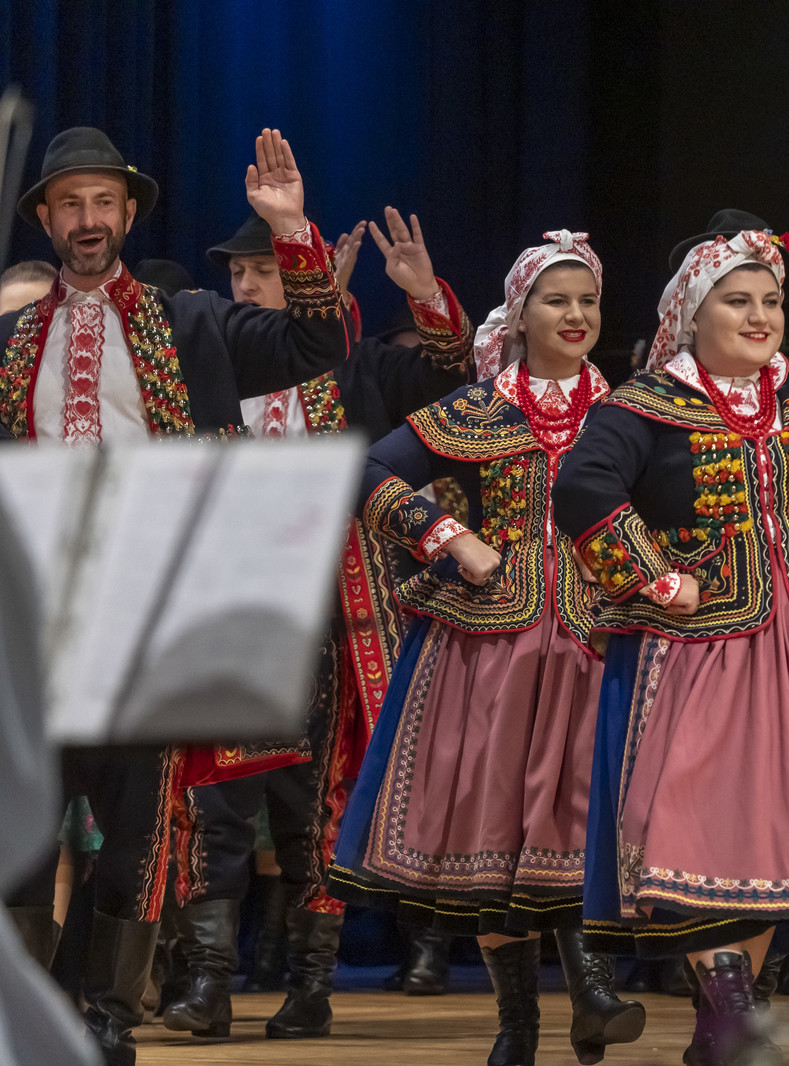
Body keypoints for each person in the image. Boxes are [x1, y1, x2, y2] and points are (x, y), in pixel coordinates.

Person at [553, 211, 789, 1066]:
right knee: (694, 831)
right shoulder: (646, 405)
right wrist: (659, 579)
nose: (760, 316)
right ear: (693, 313)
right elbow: (581, 488)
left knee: (774, 844)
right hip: (694, 657)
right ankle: (732, 1012)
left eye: (769, 301)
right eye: (738, 301)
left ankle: (724, 1026)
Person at [0, 125, 348, 1066]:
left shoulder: (190, 323)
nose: (87, 219)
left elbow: (317, 342)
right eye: (69, 203)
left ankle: (110, 1018)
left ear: (127, 213)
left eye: (102, 202)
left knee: (138, 834)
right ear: (44, 218)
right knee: (20, 837)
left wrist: (292, 231)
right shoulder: (10, 342)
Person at [332, 230, 647, 1066]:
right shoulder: (477, 409)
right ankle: (519, 1023)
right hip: (494, 642)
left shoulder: (632, 410)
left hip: (597, 635)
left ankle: (593, 991)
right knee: (495, 829)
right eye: (557, 300)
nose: (576, 314)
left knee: (580, 811)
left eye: (588, 300)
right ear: (520, 313)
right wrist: (450, 537)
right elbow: (368, 471)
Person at [160, 206, 472, 1042]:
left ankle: (309, 984)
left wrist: (425, 298)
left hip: (331, 626)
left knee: (312, 808)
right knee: (216, 799)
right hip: (228, 615)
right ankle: (208, 981)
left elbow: (450, 381)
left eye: (263, 270)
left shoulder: (359, 367)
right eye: (239, 273)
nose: (247, 285)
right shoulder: (205, 361)